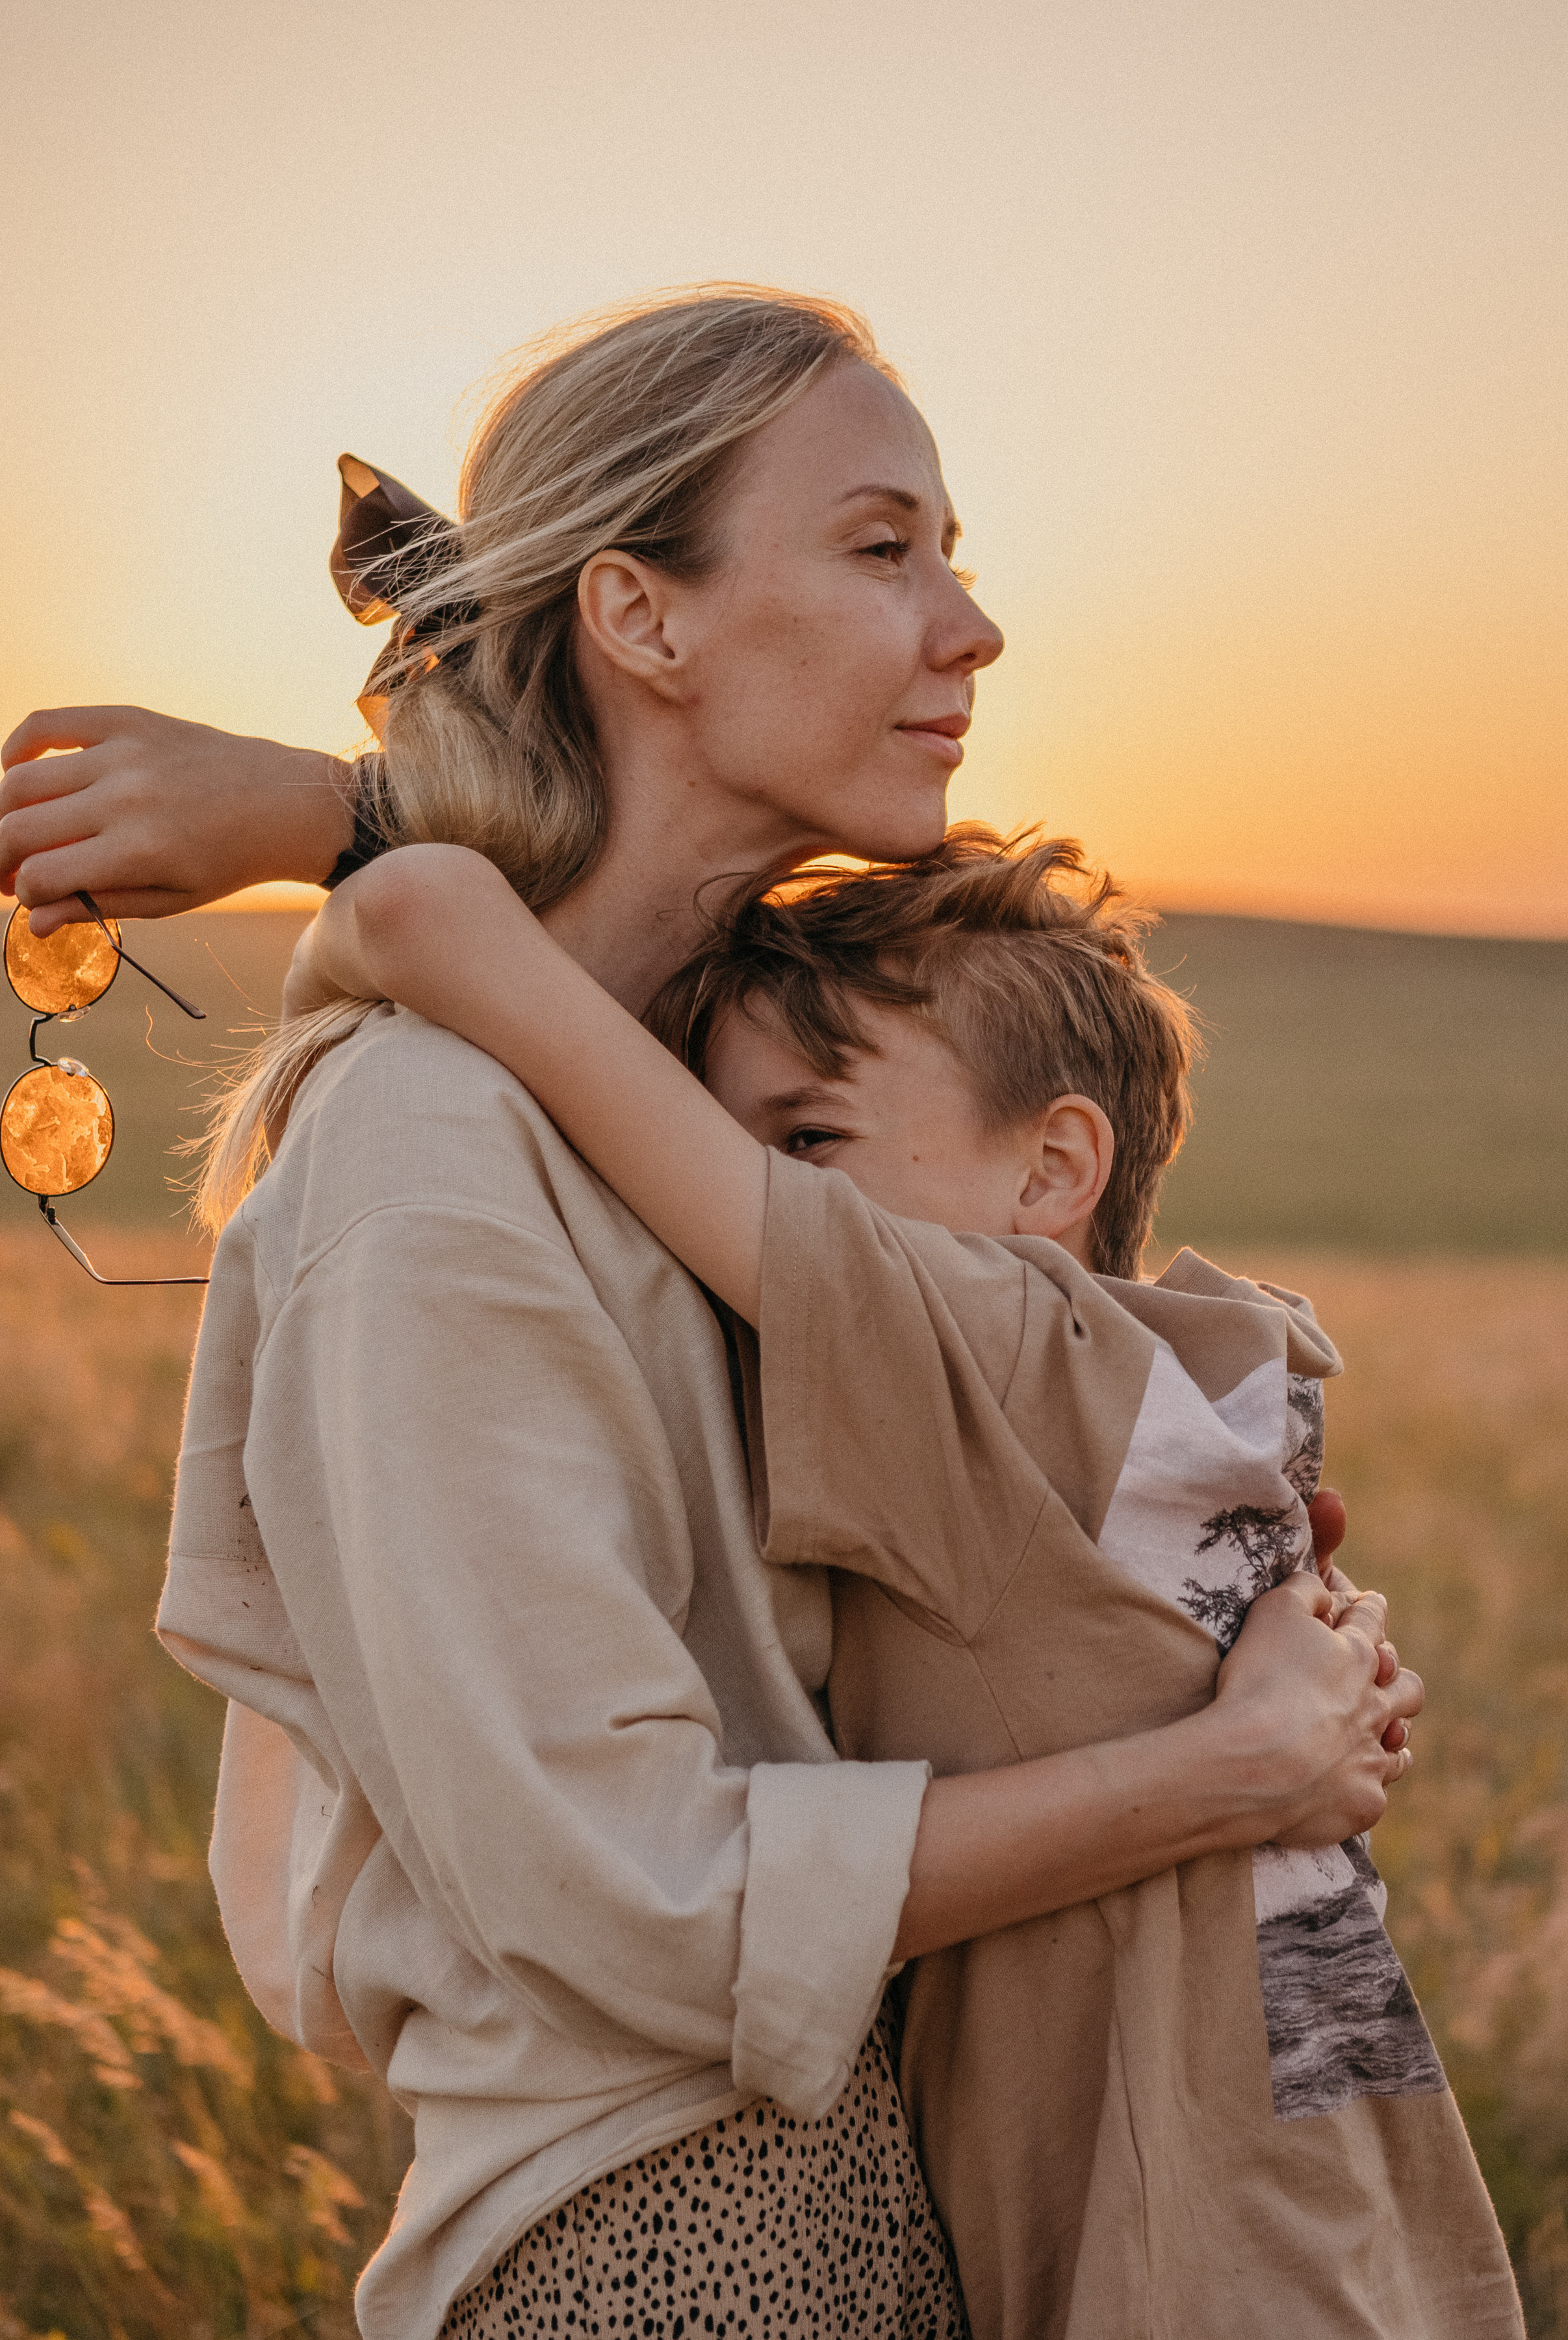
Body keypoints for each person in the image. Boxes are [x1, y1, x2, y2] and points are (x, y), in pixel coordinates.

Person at [0, 289, 1421, 2340]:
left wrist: (1222, 1627)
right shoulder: (431, 1153)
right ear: (637, 616)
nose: (967, 627)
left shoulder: (724, 1112)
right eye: (881, 547)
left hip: (899, 2201)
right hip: (653, 2245)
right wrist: (1225, 1771)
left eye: (949, 553)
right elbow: (637, 1899)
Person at [281, 822, 1522, 2340]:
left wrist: (327, 839)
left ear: (1052, 1167)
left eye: (806, 1142)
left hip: (1174, 2231)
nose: (739, 1189)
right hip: (1335, 2179)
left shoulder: (984, 1354)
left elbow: (424, 915)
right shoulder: (1176, 1383)